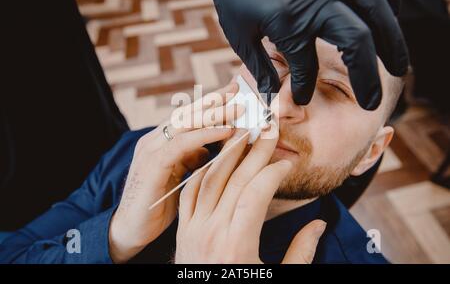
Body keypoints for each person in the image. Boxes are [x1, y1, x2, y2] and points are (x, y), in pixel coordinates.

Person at [0, 37, 404, 263]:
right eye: (276, 62)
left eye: (335, 89)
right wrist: (116, 236)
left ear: (372, 151)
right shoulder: (139, 161)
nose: (281, 105)